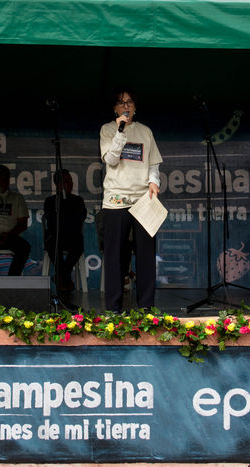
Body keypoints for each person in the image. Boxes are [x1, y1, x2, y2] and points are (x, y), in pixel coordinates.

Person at [99, 88, 163, 313]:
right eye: (121, 103)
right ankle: (113, 309)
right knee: (115, 256)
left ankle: (146, 307)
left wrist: (154, 181)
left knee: (145, 255)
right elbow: (112, 159)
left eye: (130, 102)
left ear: (135, 107)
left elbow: (153, 164)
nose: (126, 106)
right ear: (115, 109)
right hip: (116, 199)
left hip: (142, 199)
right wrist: (120, 130)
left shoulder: (146, 132)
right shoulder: (108, 130)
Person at [43, 169, 87, 292]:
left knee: (78, 245)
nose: (70, 184)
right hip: (56, 236)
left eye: (71, 181)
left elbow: (79, 219)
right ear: (58, 184)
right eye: (66, 181)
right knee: (52, 244)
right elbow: (51, 222)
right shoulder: (51, 201)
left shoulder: (78, 201)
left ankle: (60, 277)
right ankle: (65, 278)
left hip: (72, 237)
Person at [0, 164, 30, 276]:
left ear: (9, 180)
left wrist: (8, 234)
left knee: (25, 247)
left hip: (10, 236)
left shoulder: (18, 198)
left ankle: (12, 279)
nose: (3, 179)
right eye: (0, 176)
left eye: (6, 177)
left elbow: (23, 224)